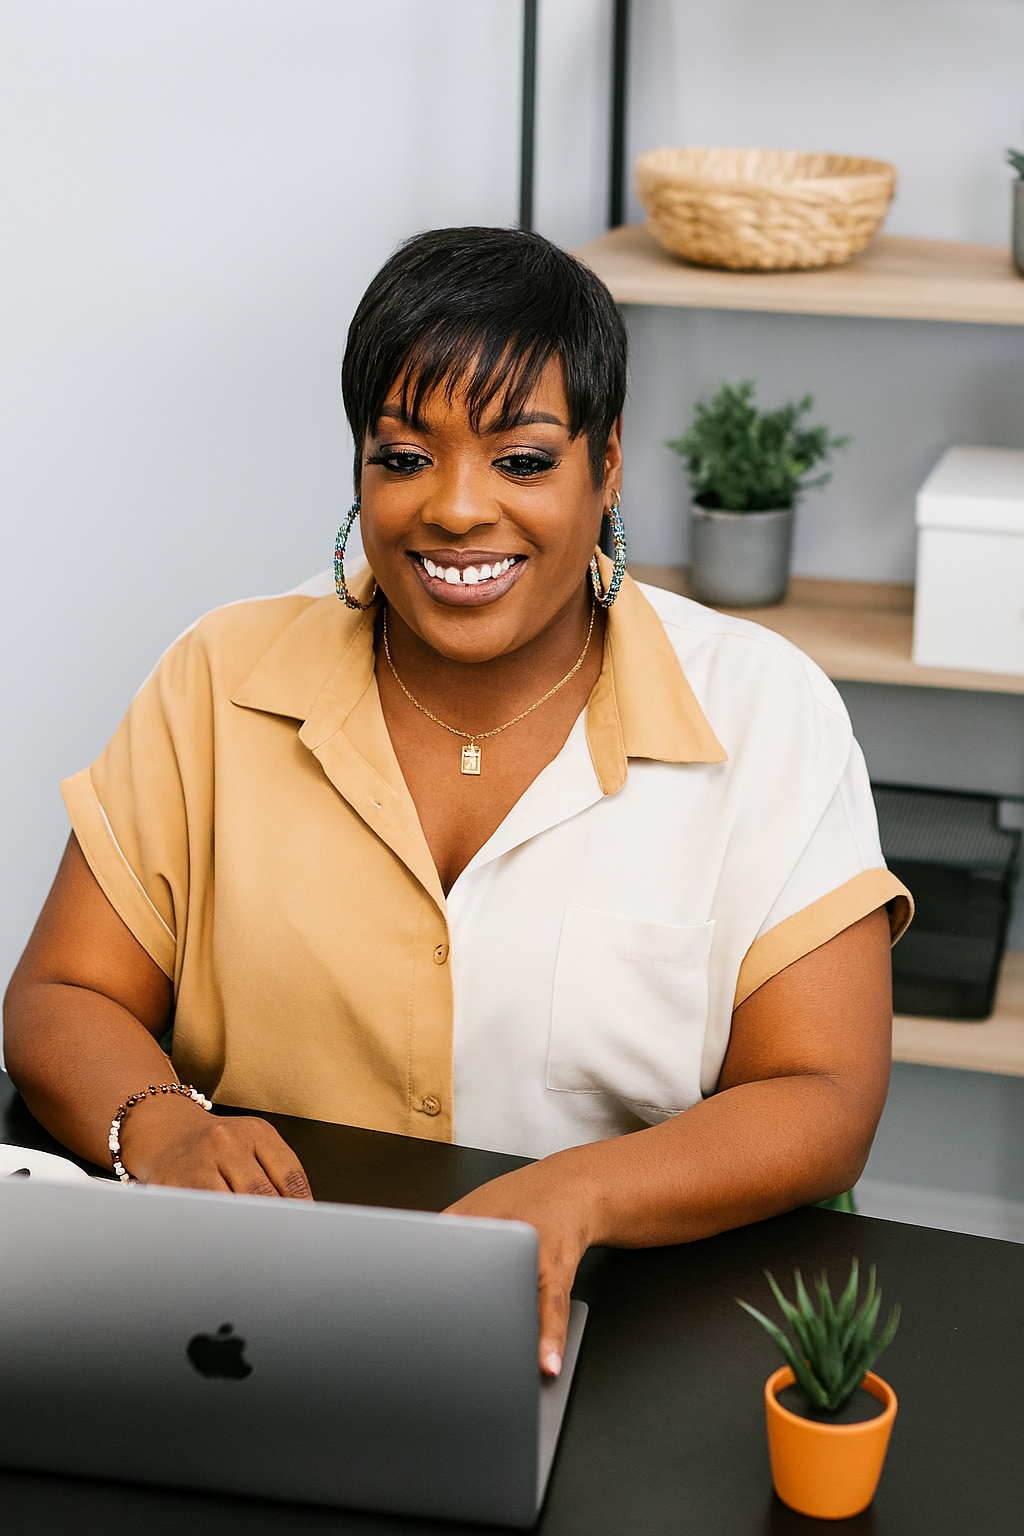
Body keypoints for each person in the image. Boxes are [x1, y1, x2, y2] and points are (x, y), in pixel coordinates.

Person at [4, 226, 909, 1378]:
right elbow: (63, 990)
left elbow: (823, 1091)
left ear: (608, 462)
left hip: (639, 1322)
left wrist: (577, 1194)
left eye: (522, 461)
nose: (455, 511)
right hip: (260, 1319)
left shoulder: (764, 706)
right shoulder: (219, 676)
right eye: (402, 456)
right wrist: (161, 1124)